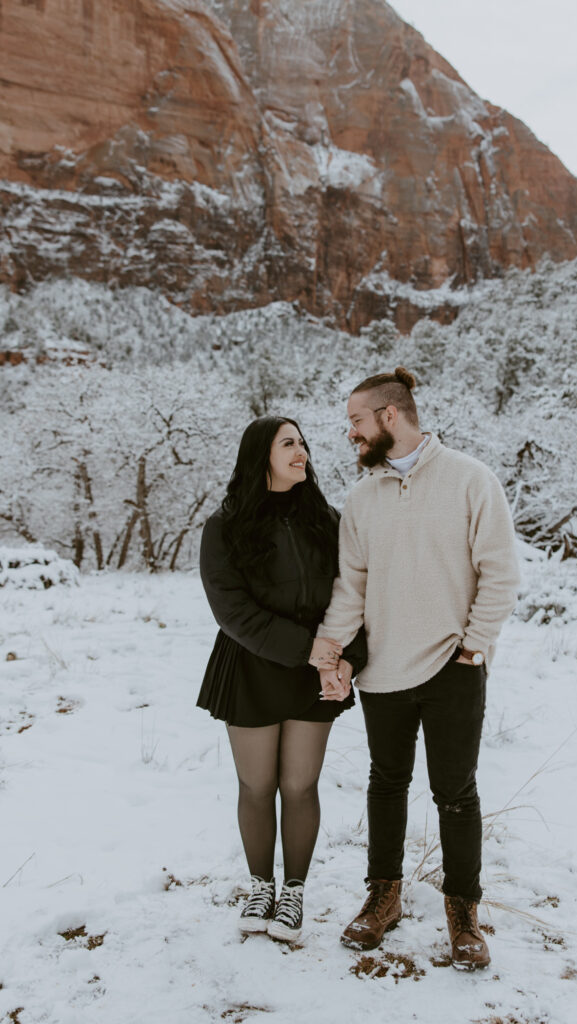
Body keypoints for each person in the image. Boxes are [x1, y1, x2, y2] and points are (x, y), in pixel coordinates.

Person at [316, 368, 520, 970]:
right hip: (382, 669)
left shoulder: (470, 480)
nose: (348, 432)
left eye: (356, 420)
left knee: (455, 793)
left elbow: (500, 574)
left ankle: (463, 913)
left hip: (453, 666)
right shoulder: (360, 498)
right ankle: (384, 899)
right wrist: (332, 652)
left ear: (389, 416)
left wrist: (474, 646)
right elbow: (349, 586)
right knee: (386, 783)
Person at [197, 415, 366, 943]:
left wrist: (347, 661)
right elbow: (232, 611)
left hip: (315, 671)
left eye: (304, 444)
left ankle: (292, 891)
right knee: (257, 783)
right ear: (260, 455)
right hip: (250, 665)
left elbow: (355, 596)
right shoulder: (224, 525)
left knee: (299, 784)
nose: (303, 453)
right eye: (288, 443)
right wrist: (309, 649)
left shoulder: (328, 520)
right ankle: (259, 886)